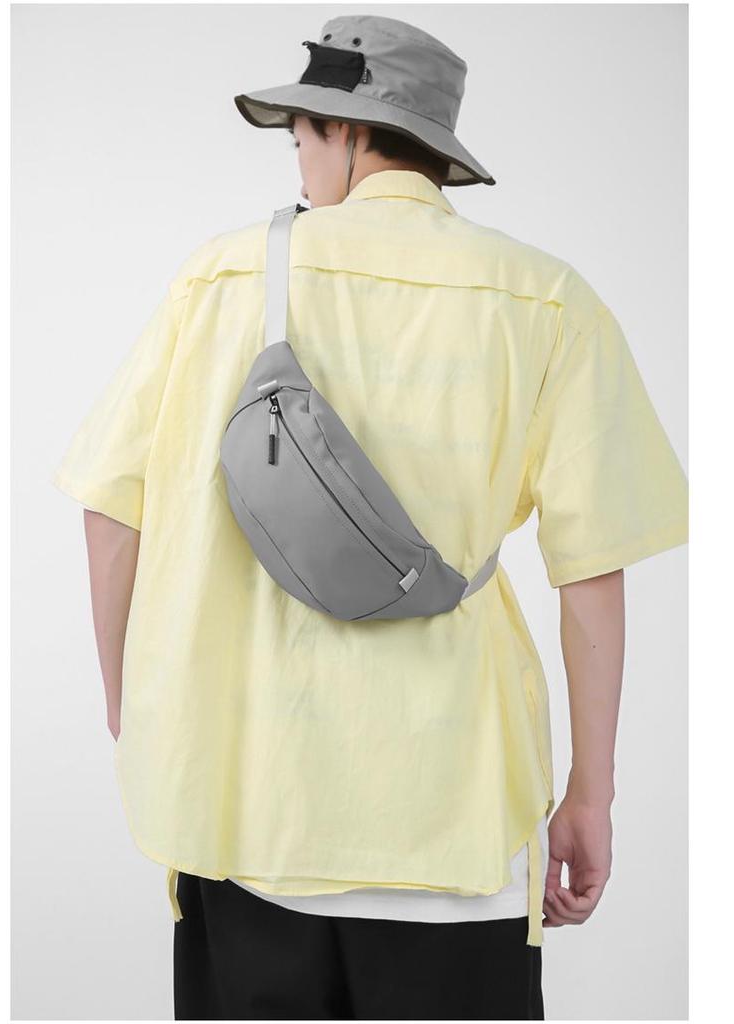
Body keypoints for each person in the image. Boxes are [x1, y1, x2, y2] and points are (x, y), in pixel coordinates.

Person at [52, 14, 689, 1021]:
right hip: (457, 830)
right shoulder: (547, 300)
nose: (299, 160)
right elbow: (592, 572)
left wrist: (133, 706)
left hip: (245, 818)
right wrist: (589, 794)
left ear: (350, 132)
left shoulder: (219, 278)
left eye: (303, 133)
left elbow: (109, 511)